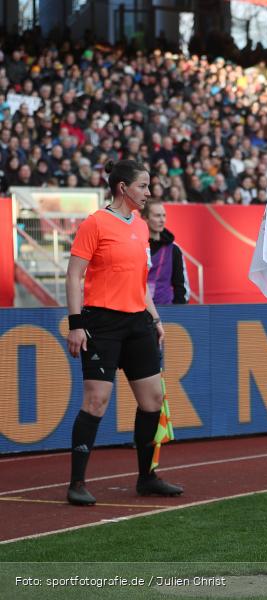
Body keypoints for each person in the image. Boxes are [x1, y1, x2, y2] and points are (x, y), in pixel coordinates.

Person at [65, 159, 184, 506]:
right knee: (96, 401)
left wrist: (156, 319)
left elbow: (140, 282)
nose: (149, 192)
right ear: (123, 188)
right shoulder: (95, 224)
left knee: (153, 400)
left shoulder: (142, 226)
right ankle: (76, 482)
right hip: (101, 323)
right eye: (143, 186)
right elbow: (74, 276)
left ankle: (146, 478)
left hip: (138, 323)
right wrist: (76, 325)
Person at [140, 199, 190, 305]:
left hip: (167, 311)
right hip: (138, 312)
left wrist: (179, 310)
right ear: (145, 218)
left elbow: (180, 285)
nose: (162, 220)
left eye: (164, 215)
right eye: (157, 216)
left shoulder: (174, 249)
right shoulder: (135, 246)